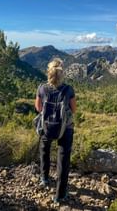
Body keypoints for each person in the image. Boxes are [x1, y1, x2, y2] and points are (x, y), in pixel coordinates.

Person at [34, 58, 77, 203]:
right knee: (63, 160)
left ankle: (44, 178)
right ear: (62, 73)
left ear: (49, 72)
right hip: (65, 128)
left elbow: (38, 108)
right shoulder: (68, 89)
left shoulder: (41, 88)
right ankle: (60, 195)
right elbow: (74, 110)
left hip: (47, 126)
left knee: (44, 150)